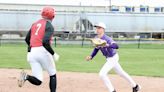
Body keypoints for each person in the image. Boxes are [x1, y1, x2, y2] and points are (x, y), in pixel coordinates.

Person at [85, 22, 141, 92]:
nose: (97, 29)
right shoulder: (97, 38)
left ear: (103, 29)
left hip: (113, 58)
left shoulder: (107, 38)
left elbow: (116, 46)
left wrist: (107, 45)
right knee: (121, 73)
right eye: (97, 28)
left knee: (102, 74)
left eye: (99, 28)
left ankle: (112, 90)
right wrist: (91, 56)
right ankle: (135, 86)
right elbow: (96, 48)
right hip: (109, 58)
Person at [18, 6, 57, 92]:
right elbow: (45, 42)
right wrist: (53, 54)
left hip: (32, 53)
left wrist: (32, 47)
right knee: (52, 74)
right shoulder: (49, 25)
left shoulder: (34, 24)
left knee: (38, 81)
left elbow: (27, 39)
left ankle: (26, 77)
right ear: (52, 16)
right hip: (42, 51)